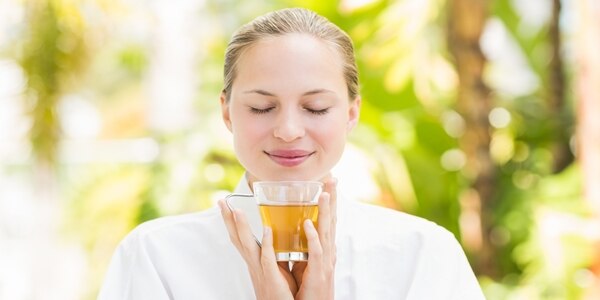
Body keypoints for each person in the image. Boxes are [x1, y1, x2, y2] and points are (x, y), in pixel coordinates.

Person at [98, 7, 485, 299]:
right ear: (226, 112)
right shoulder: (156, 256)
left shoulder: (421, 255)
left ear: (351, 114)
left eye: (315, 107)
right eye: (262, 108)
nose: (287, 131)